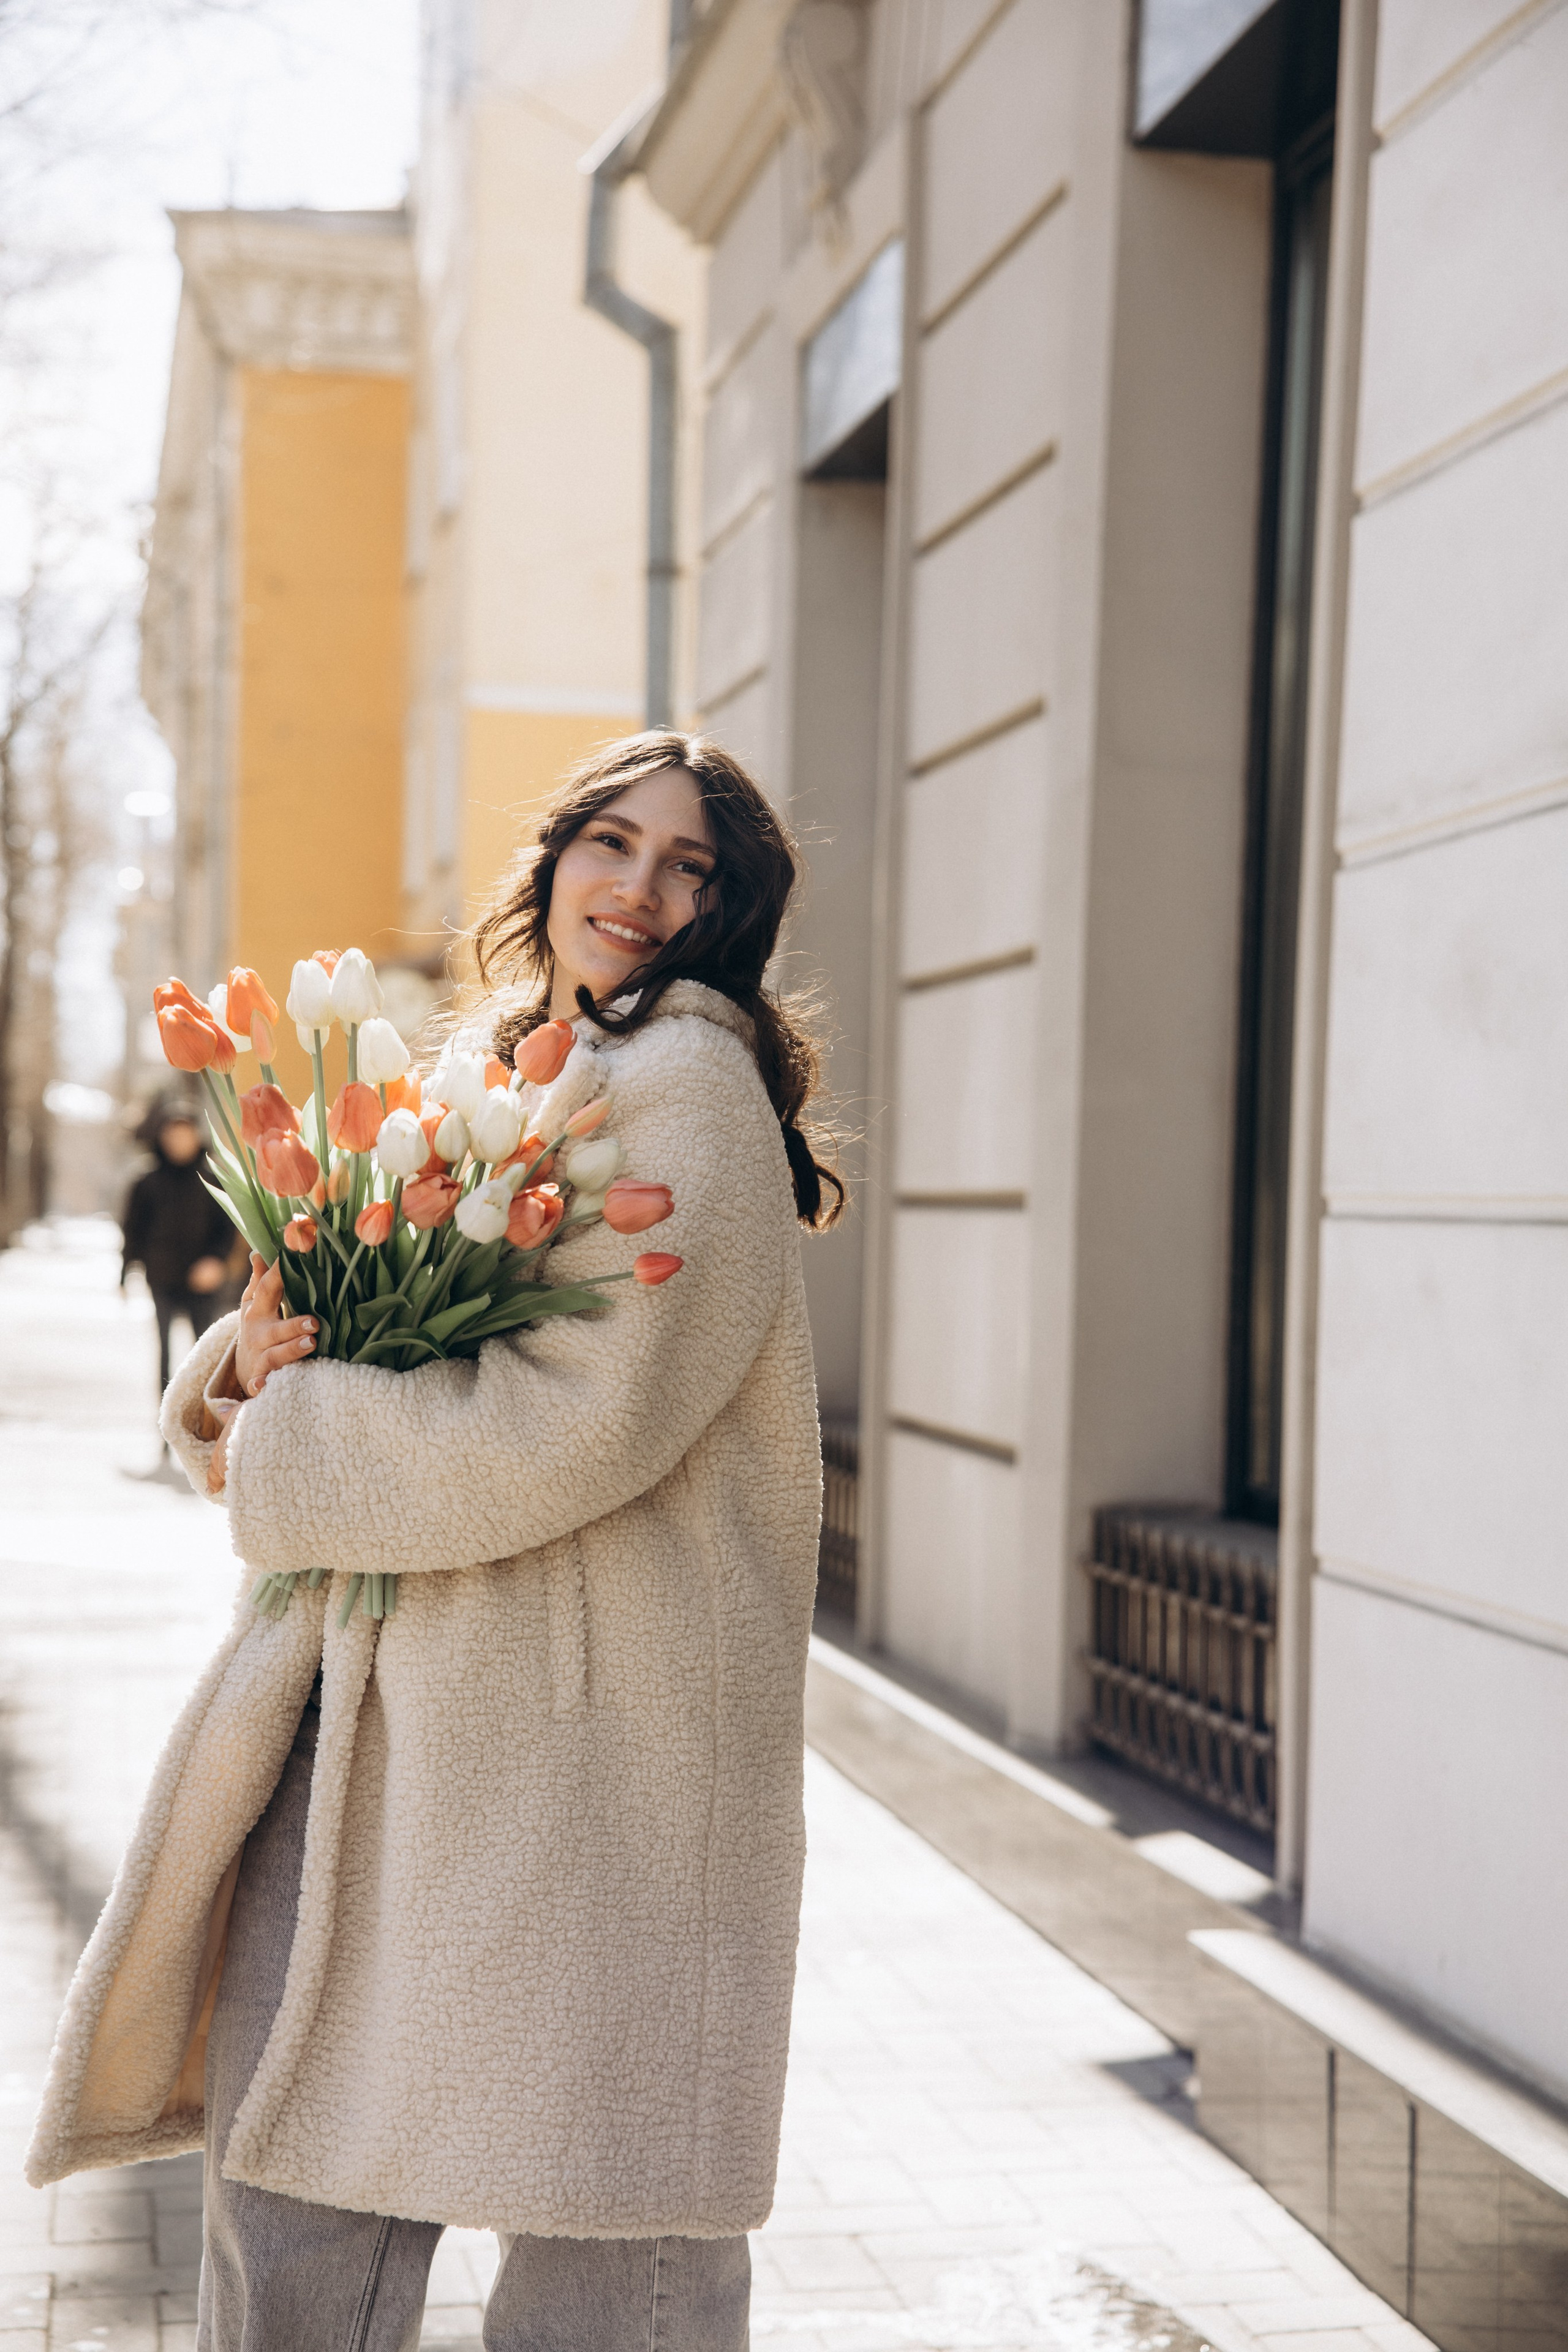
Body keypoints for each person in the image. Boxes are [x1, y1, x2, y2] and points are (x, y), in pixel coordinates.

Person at [29, 732, 840, 2352]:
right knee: (293, 2199)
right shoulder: (502, 1066)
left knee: (609, 2251)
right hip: (388, 1721)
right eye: (613, 844)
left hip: (588, 1753)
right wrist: (248, 1366)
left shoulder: (686, 1087)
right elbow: (351, 1332)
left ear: (728, 913)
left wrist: (287, 1432)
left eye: (694, 869)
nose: (642, 889)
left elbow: (574, 1420)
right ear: (551, 862)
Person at [121, 1100, 238, 1393]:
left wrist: (217, 1262)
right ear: (162, 1139)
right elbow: (132, 1231)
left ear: (197, 1137)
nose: (179, 1141)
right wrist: (125, 1274)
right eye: (172, 1135)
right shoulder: (146, 1182)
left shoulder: (213, 1179)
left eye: (185, 1134)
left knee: (205, 1351)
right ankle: (165, 1419)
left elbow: (228, 1229)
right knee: (164, 1349)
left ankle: (203, 1416)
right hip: (161, 1276)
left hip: (203, 1279)